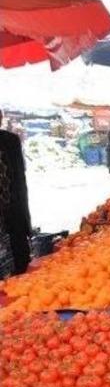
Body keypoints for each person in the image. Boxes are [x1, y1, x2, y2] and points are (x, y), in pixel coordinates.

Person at [0, 108, 32, 278]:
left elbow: (20, 178)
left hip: (13, 206)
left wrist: (26, 220)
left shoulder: (11, 141)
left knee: (20, 256)